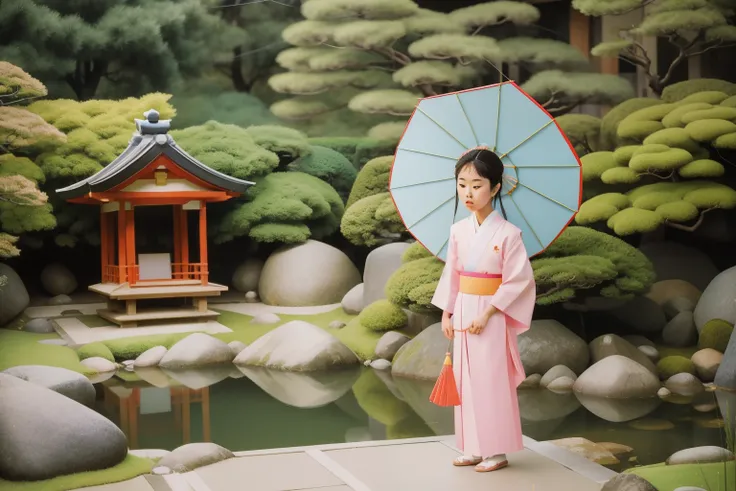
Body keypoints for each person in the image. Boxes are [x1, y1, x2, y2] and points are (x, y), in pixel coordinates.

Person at [430, 147, 536, 473]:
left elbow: (518, 280)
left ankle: (496, 450)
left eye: (476, 185)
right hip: (463, 308)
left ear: (496, 187)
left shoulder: (508, 234)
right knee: (465, 380)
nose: (468, 193)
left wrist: (488, 313)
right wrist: (447, 312)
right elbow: (453, 273)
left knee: (490, 380)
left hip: (491, 313)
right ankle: (472, 446)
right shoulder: (458, 230)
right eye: (462, 185)